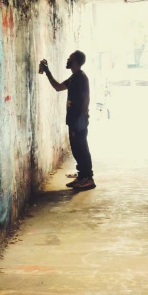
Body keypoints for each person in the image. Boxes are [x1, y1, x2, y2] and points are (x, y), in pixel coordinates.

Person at [39, 51, 95, 191]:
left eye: (70, 58)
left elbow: (86, 98)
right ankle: (82, 176)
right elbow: (58, 87)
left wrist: (81, 119)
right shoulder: (74, 78)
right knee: (77, 149)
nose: (68, 59)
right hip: (73, 120)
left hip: (78, 120)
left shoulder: (81, 78)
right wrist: (47, 71)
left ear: (75, 61)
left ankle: (87, 178)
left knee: (81, 149)